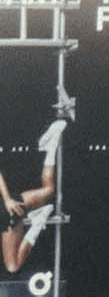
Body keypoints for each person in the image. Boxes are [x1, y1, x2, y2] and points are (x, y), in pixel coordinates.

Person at [0, 117, 64, 275]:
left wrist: (7, 200)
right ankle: (51, 147)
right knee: (49, 190)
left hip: (6, 212)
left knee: (12, 266)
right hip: (8, 207)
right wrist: (8, 199)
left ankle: (36, 222)